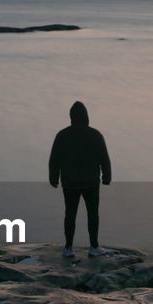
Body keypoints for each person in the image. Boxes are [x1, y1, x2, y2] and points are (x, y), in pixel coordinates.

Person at [48, 100, 112, 258]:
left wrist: (53, 178)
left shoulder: (62, 135)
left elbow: (54, 159)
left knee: (70, 214)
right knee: (93, 214)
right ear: (86, 116)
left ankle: (68, 248)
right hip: (91, 183)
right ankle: (94, 246)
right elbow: (104, 158)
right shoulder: (95, 135)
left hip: (70, 183)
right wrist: (107, 176)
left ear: (71, 117)